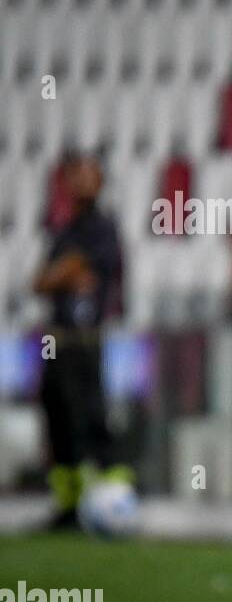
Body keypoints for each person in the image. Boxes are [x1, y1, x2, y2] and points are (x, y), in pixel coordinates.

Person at [32, 153, 127, 529]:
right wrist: (61, 273)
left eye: (88, 175)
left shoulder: (102, 227)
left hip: (85, 339)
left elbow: (73, 271)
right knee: (58, 420)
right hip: (56, 338)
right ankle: (67, 505)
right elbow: (41, 281)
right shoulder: (65, 230)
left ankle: (116, 501)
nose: (80, 183)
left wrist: (62, 273)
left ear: (100, 182)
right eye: (75, 176)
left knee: (91, 417)